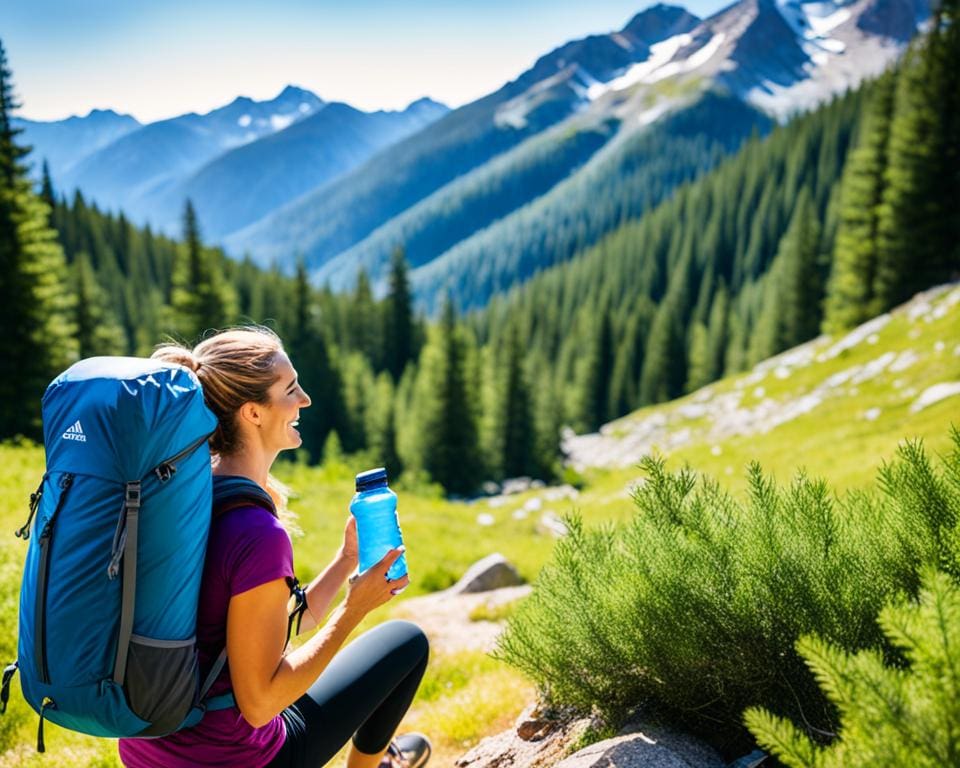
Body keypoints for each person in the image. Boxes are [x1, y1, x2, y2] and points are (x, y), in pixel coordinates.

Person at [118, 327, 431, 768]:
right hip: (235, 760)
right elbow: (261, 704)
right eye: (290, 389)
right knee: (407, 642)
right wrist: (353, 610)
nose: (304, 400)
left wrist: (345, 561)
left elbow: (256, 634)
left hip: (151, 751)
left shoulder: (185, 497)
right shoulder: (256, 532)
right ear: (253, 413)